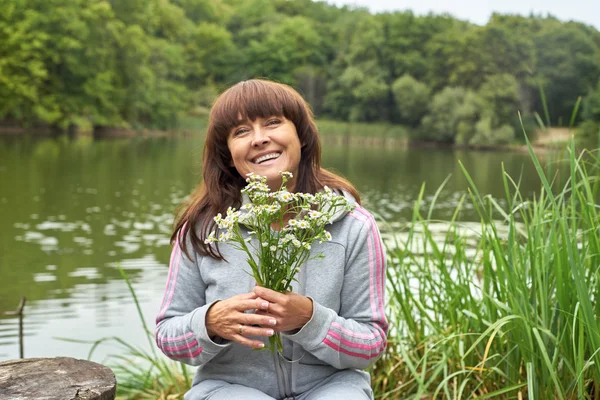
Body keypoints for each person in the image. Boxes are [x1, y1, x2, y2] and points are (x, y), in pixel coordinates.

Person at [155, 79, 388, 400]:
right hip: (229, 389)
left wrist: (309, 319)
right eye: (240, 132)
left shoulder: (354, 225)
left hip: (331, 387)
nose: (260, 139)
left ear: (301, 136)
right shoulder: (202, 229)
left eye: (273, 122)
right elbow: (167, 337)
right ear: (228, 155)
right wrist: (211, 323)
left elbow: (371, 346)